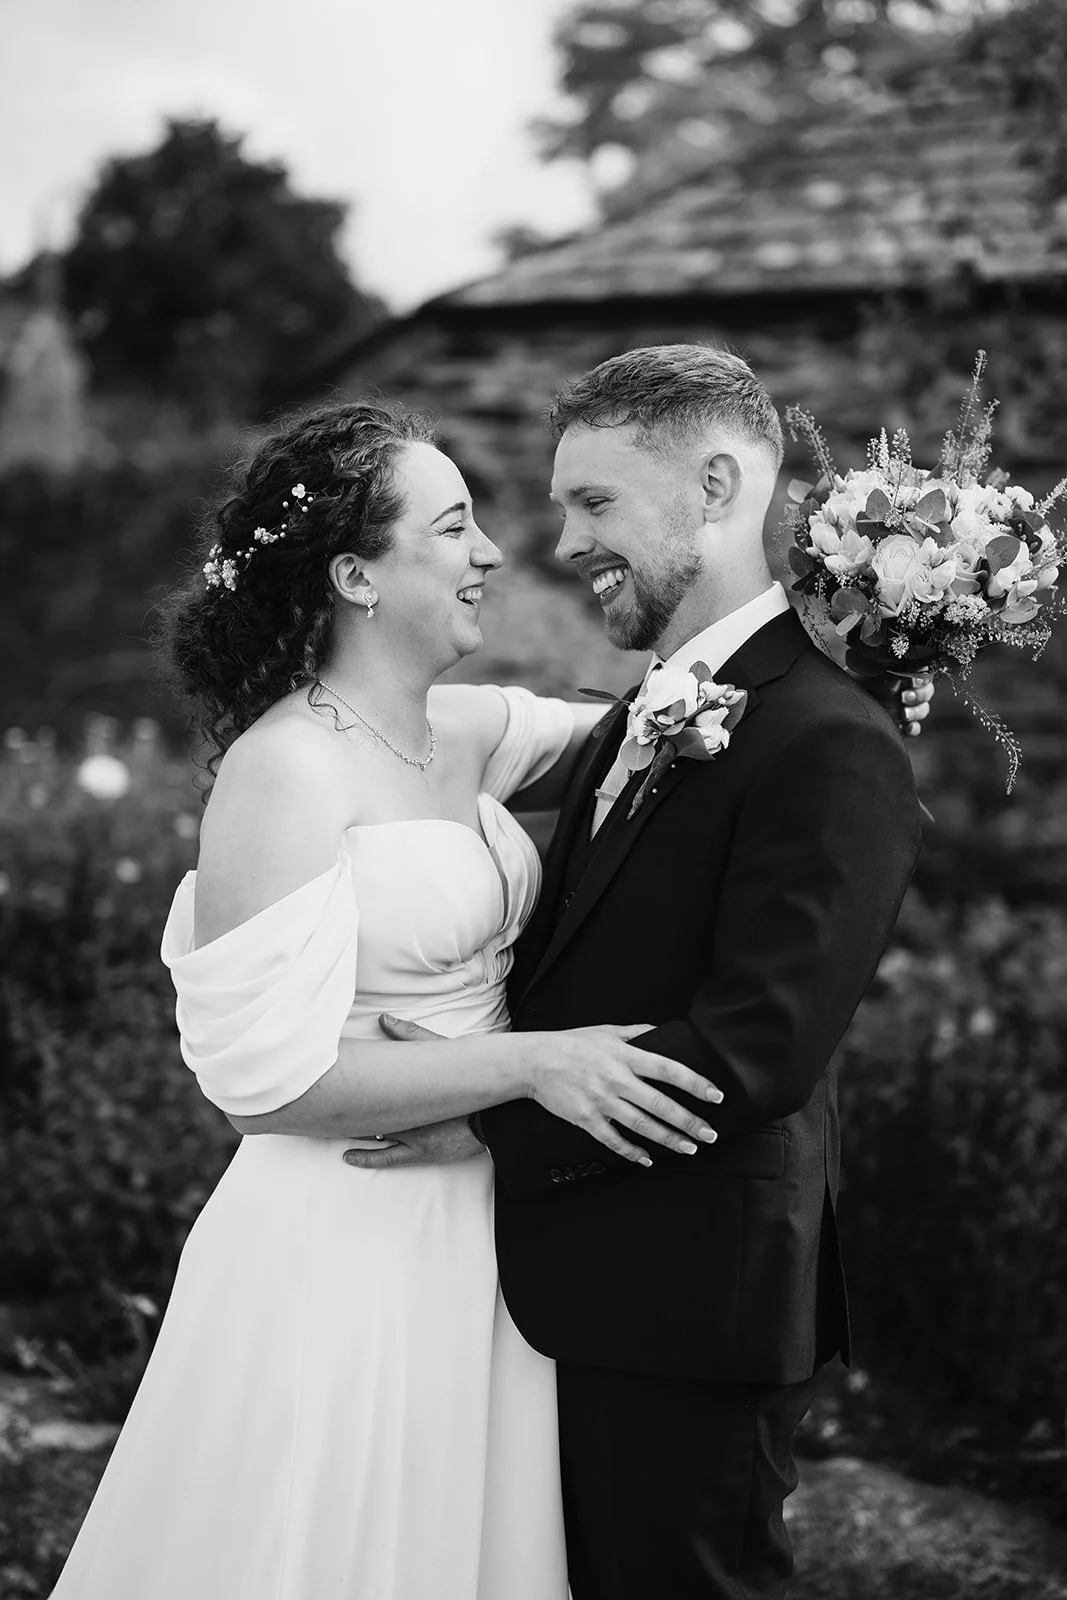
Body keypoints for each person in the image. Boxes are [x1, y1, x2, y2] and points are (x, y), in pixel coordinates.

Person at [49, 399, 735, 1600]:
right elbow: (267, 1088)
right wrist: (531, 1063)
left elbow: (694, 728)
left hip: (486, 1221)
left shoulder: (464, 731)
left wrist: (862, 629)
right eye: (454, 527)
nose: (489, 555)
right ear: (356, 573)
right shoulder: (283, 771)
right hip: (342, 1235)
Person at [344, 347, 926, 1600]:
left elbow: (751, 1048)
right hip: (578, 1288)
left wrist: (476, 1115)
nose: (561, 541)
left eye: (594, 502)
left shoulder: (828, 742)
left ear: (714, 486)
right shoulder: (650, 703)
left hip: (687, 1304)